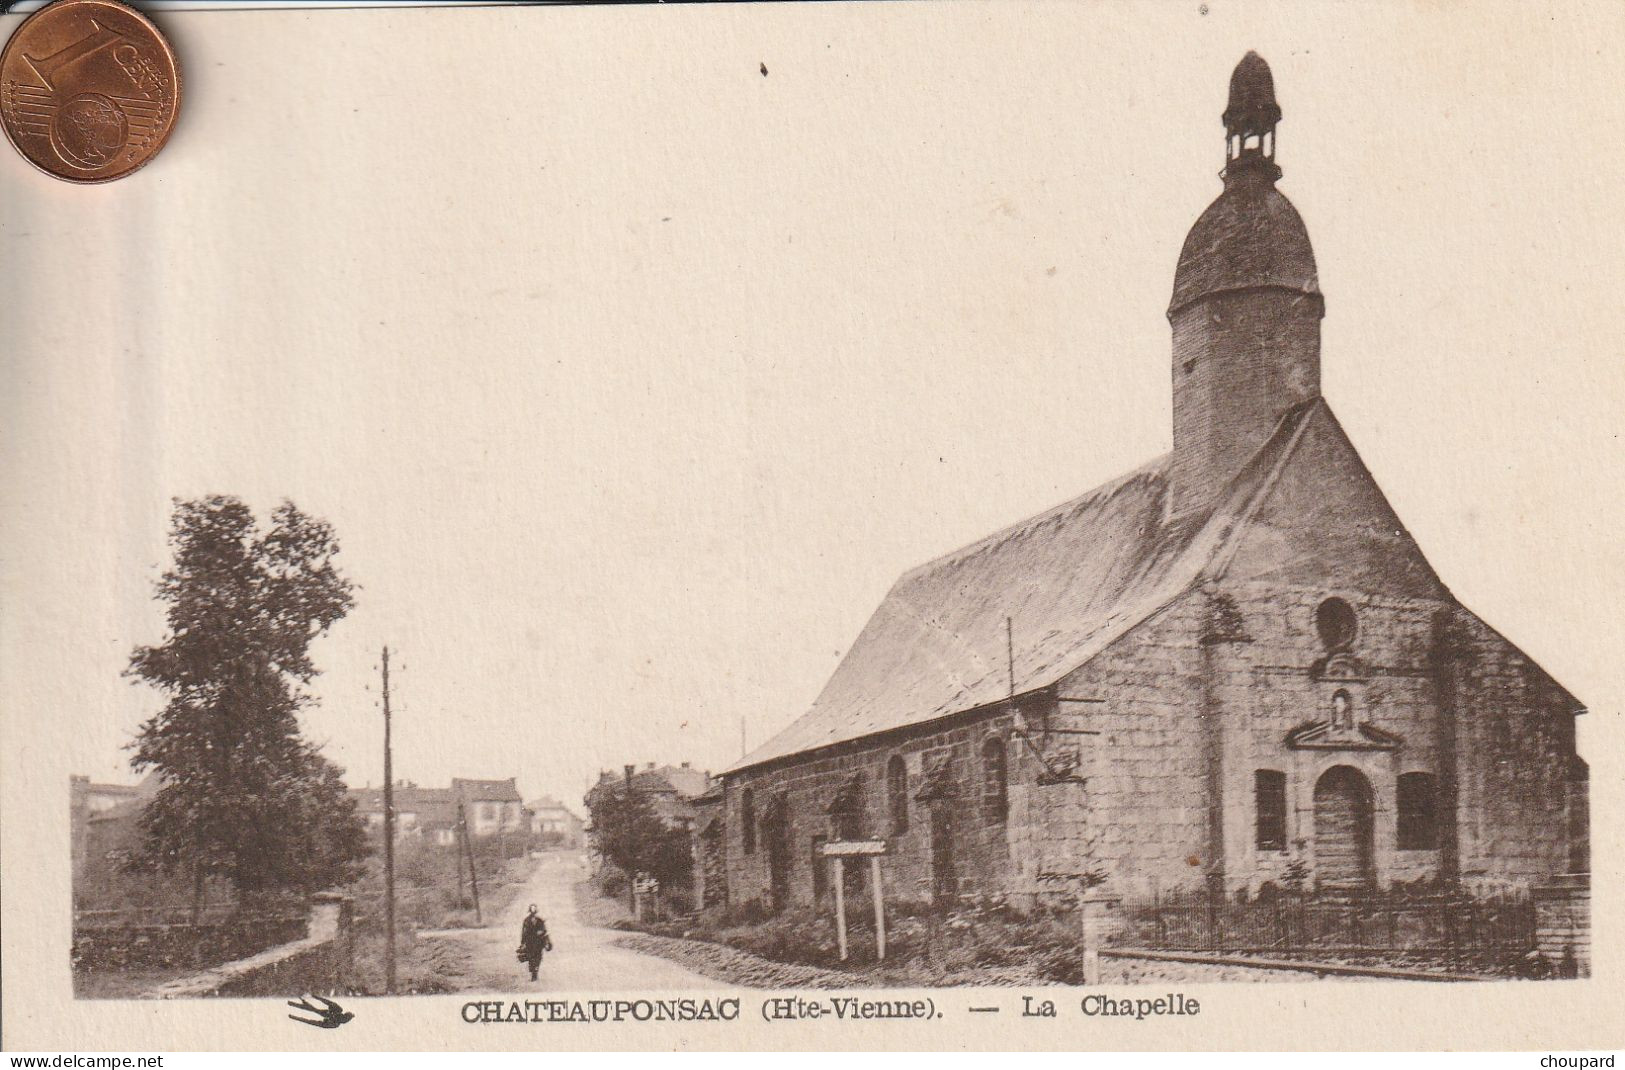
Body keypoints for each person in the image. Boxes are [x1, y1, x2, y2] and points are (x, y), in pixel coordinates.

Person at [516, 903, 551, 981]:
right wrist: (522, 943)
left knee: (538, 958)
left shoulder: (540, 920)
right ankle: (533, 972)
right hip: (530, 942)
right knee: (531, 957)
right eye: (531, 912)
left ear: (536, 912)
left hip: (539, 942)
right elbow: (523, 933)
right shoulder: (526, 921)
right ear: (530, 912)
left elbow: (544, 930)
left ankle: (535, 972)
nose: (533, 914)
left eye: (534, 912)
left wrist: (541, 933)